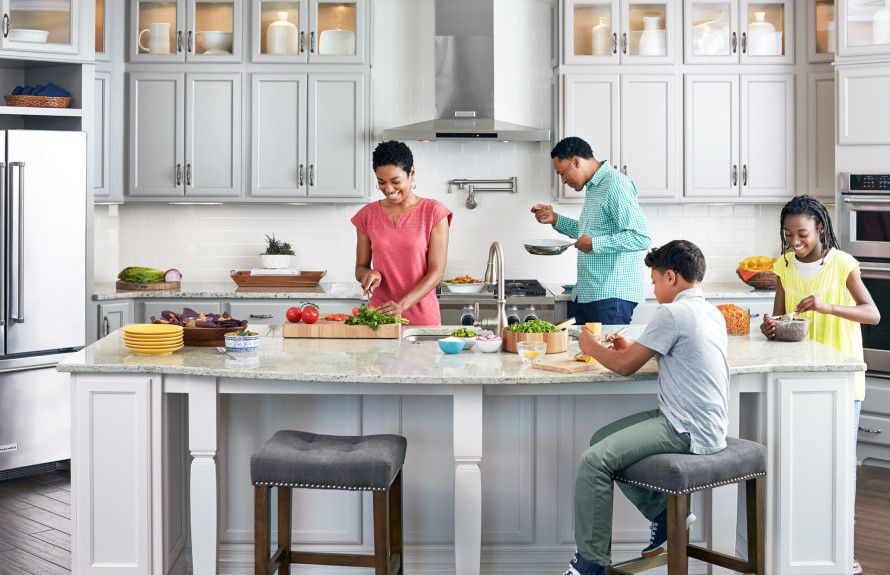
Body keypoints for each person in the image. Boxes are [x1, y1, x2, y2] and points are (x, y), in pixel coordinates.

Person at [563, 240, 729, 575]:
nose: (653, 290)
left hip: (685, 428)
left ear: (671, 277)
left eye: (654, 281)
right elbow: (666, 354)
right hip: (704, 423)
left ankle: (590, 563)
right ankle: (664, 515)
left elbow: (625, 367)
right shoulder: (710, 312)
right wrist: (630, 347)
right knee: (601, 439)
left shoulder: (673, 312)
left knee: (593, 461)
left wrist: (590, 346)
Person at [760, 195, 880, 575]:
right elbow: (781, 316)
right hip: (798, 380)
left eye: (803, 234)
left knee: (840, 466)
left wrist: (828, 307)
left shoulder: (842, 263)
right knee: (803, 463)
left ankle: (844, 550)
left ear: (820, 229)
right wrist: (770, 327)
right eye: (788, 234)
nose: (795, 241)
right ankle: (805, 548)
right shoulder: (784, 264)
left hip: (841, 379)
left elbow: (872, 313)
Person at [532, 136, 650, 325]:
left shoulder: (615, 184)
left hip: (611, 297)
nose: (563, 180)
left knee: (606, 347)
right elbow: (587, 232)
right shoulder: (595, 187)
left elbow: (640, 237)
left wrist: (595, 244)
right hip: (591, 293)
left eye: (562, 173)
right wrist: (554, 219)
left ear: (576, 161)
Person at [351, 141, 452, 326]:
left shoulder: (433, 212)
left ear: (411, 172)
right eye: (381, 182)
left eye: (395, 181)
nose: (389, 189)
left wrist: (401, 305)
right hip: (379, 319)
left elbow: (436, 273)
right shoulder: (367, 215)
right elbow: (360, 267)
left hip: (422, 321)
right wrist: (368, 274)